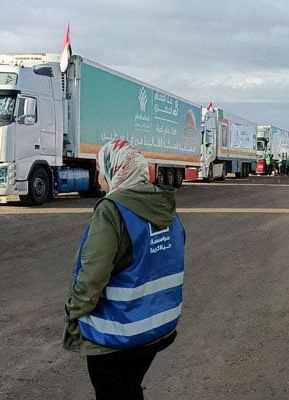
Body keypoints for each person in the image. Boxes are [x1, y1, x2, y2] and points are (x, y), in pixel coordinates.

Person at [63, 139, 185, 400]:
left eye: (100, 172)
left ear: (114, 171)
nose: (98, 180)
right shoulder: (165, 207)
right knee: (128, 388)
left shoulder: (112, 211)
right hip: (157, 328)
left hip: (118, 334)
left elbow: (92, 275)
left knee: (113, 391)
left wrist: (73, 311)